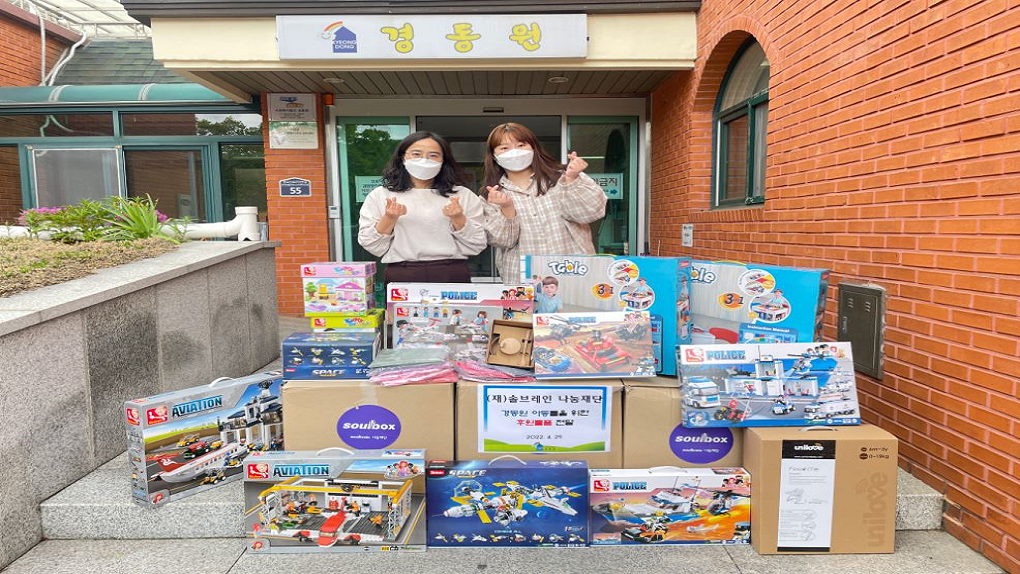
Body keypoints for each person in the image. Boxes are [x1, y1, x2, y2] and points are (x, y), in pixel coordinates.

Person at [480, 122, 607, 282]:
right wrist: (507, 208)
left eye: (521, 145)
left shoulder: (563, 177)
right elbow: (503, 241)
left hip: (575, 274)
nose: (514, 152)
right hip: (522, 280)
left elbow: (591, 213)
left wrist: (572, 180)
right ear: (494, 155)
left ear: (534, 148)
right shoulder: (491, 194)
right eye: (504, 148)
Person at [358, 131, 487, 284]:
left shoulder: (462, 195)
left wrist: (458, 218)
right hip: (402, 272)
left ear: (444, 160)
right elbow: (371, 244)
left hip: (451, 272)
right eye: (416, 154)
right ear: (402, 157)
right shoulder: (381, 195)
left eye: (433, 155)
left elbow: (477, 244)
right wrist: (389, 218)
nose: (424, 160)